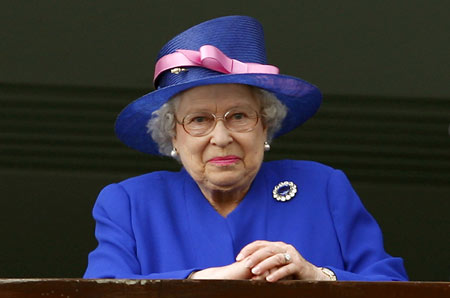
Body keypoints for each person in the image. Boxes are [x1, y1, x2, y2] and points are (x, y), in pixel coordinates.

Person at [84, 15, 408, 281]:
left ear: (265, 124)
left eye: (238, 116)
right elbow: (100, 290)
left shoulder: (324, 188)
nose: (222, 137)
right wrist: (203, 282)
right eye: (199, 120)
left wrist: (318, 277)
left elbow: (394, 286)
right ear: (172, 136)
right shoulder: (128, 204)